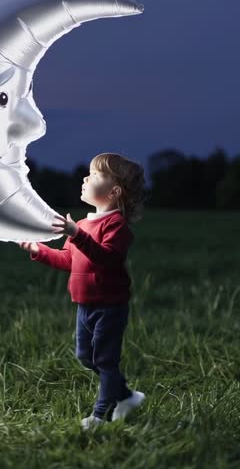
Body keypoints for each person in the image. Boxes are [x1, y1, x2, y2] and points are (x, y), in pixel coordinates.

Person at [19, 152, 148, 431]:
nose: (86, 177)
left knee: (104, 360)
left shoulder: (117, 227)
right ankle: (126, 396)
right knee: (86, 357)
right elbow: (69, 260)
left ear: (114, 192)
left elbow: (106, 259)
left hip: (110, 305)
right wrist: (38, 251)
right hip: (85, 303)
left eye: (95, 174)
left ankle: (100, 416)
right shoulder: (85, 225)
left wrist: (76, 234)